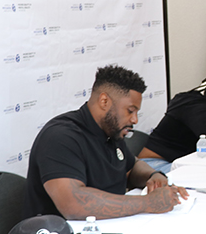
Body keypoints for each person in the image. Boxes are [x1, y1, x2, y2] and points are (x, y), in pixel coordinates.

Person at [22, 64, 187, 220]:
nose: (135, 119)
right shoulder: (60, 137)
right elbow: (73, 204)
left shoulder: (110, 131)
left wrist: (154, 176)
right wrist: (149, 203)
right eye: (130, 111)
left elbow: (131, 166)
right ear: (104, 101)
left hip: (109, 228)